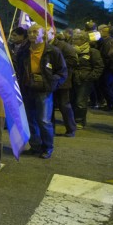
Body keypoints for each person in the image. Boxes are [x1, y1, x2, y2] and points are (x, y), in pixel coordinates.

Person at [16, 24, 67, 159]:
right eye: (30, 32)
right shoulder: (23, 51)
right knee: (31, 120)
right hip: (27, 89)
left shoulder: (53, 51)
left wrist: (50, 84)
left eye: (35, 32)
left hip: (44, 91)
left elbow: (62, 73)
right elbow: (18, 69)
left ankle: (47, 147)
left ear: (43, 34)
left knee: (44, 121)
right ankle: (35, 146)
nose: (32, 34)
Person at [70, 29, 104, 129]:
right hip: (72, 79)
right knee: (72, 100)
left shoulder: (92, 52)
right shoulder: (70, 50)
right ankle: (72, 119)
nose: (73, 40)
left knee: (80, 102)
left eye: (76, 38)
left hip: (84, 80)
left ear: (84, 40)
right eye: (73, 38)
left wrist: (90, 77)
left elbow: (99, 67)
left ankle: (80, 121)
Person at [48, 26, 78, 137]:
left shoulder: (64, 46)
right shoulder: (42, 45)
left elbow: (73, 61)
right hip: (48, 81)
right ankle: (51, 129)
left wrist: (57, 63)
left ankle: (71, 128)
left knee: (64, 106)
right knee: (49, 106)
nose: (44, 35)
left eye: (47, 32)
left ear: (53, 33)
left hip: (62, 82)